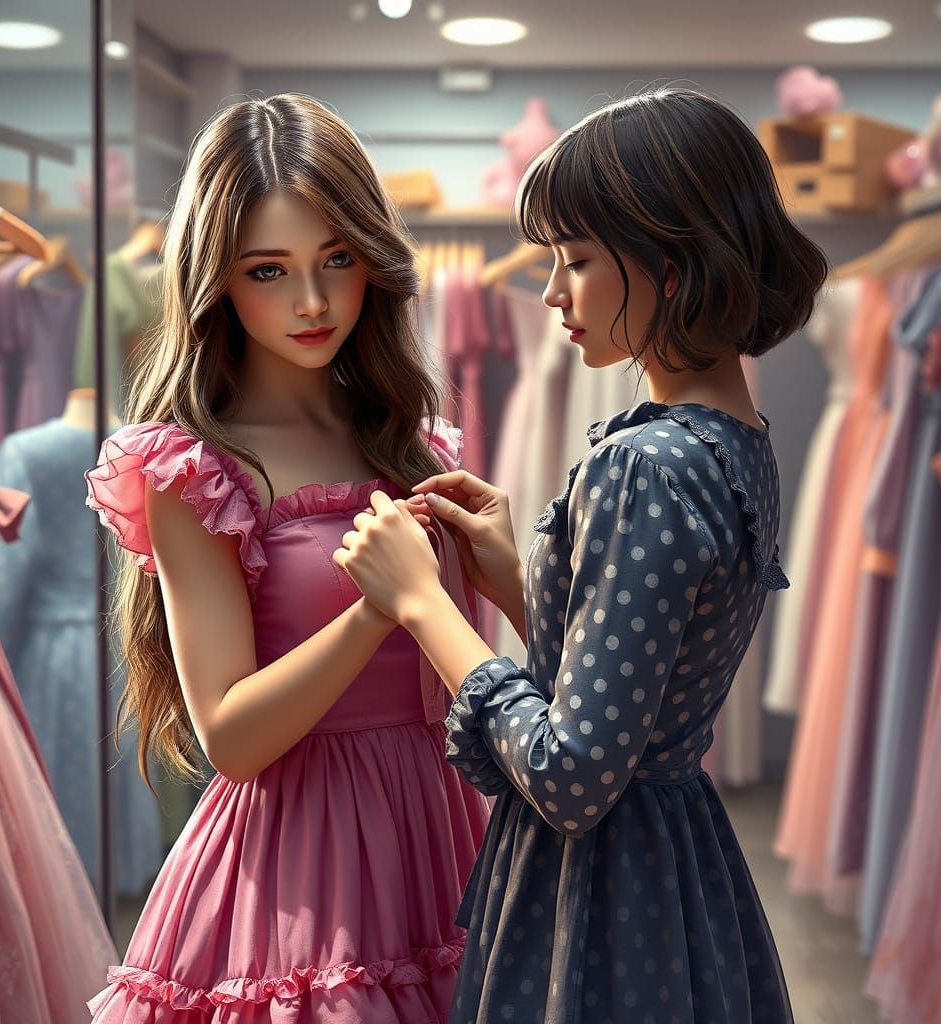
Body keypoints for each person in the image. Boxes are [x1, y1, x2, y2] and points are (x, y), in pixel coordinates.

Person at [336, 88, 828, 1023]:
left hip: (600, 890)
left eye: (577, 261)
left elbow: (571, 775)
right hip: (677, 860)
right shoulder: (735, 439)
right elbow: (644, 674)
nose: (553, 292)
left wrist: (423, 605)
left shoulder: (643, 465)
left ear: (670, 264)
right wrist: (518, 584)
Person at [84, 93, 489, 1023]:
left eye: (337, 259)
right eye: (269, 270)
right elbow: (229, 735)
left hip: (446, 835)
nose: (312, 302)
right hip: (297, 871)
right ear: (217, 280)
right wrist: (379, 606)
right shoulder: (194, 465)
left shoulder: (415, 443)